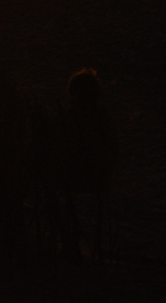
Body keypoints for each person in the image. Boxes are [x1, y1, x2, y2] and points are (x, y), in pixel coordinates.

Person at [62, 68, 117, 260]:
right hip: (96, 175)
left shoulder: (70, 120)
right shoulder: (102, 119)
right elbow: (111, 149)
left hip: (76, 175)